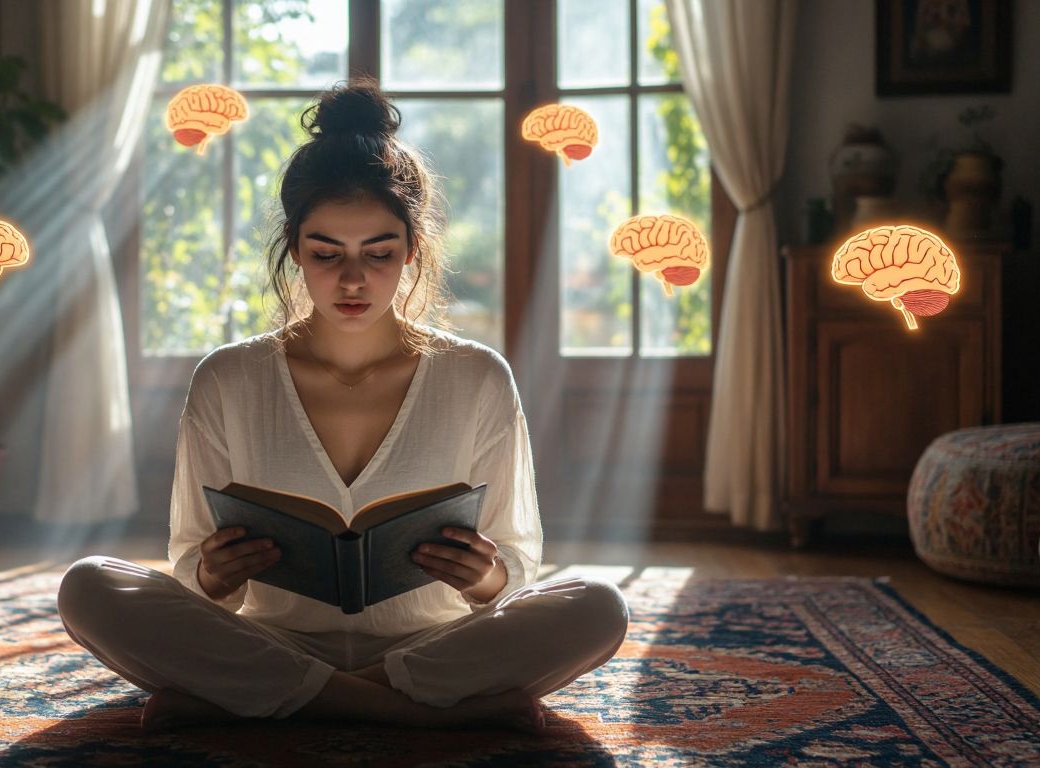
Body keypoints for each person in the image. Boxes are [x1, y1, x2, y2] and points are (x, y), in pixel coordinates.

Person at [58, 76, 629, 735]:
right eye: (326, 253)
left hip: (429, 647)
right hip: (274, 642)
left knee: (598, 607)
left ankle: (260, 701)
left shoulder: (477, 378)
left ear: (413, 251)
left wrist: (485, 576)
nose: (352, 279)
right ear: (295, 251)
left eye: (378, 253)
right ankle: (408, 710)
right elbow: (191, 569)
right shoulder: (228, 378)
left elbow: (516, 570)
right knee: (88, 587)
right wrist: (214, 575)